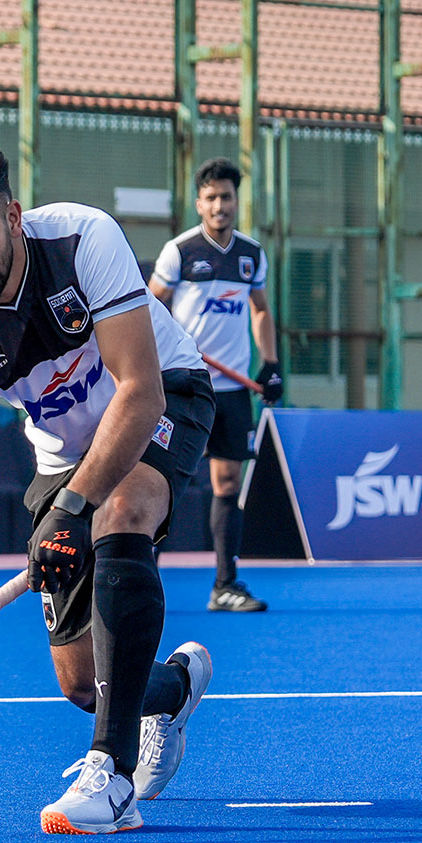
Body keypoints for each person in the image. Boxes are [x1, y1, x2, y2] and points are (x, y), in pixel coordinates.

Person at [0, 136, 217, 836]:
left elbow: (139, 391)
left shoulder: (79, 240)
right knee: (84, 682)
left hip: (167, 392)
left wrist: (75, 508)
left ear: (13, 217)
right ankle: (176, 691)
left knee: (121, 510)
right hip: (62, 453)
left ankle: (112, 778)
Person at [150, 158, 282, 614]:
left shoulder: (251, 255)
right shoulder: (180, 252)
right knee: (160, 481)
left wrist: (270, 363)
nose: (219, 205)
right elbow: (149, 309)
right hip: (184, 384)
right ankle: (141, 582)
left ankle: (225, 585)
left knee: (227, 482)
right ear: (198, 202)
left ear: (235, 200)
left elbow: (261, 310)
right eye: (211, 198)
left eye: (226, 196)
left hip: (232, 391)